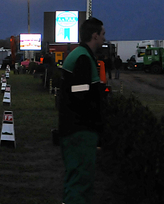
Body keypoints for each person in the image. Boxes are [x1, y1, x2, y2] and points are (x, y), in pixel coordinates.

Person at [58, 17, 106, 204]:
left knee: (75, 179)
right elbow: (81, 95)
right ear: (94, 35)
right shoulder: (83, 59)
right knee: (80, 181)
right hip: (81, 131)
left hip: (73, 129)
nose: (104, 39)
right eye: (102, 34)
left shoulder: (78, 55)